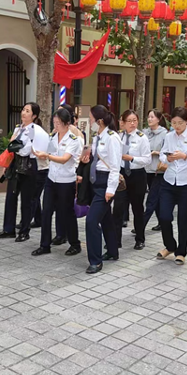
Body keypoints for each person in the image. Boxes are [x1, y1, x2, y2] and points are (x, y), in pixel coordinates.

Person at [31, 108, 83, 257]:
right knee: (46, 211)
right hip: (51, 179)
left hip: (66, 181)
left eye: (59, 123)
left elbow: (64, 159)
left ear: (67, 124)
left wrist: (46, 155)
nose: (56, 126)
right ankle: (44, 244)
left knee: (66, 212)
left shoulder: (73, 140)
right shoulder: (53, 138)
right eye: (54, 123)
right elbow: (49, 154)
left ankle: (75, 243)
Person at [0, 102, 50, 243]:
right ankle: (8, 229)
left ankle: (24, 231)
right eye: (23, 110)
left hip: (28, 166)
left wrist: (15, 146)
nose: (24, 113)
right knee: (10, 197)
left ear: (34, 116)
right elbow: (11, 146)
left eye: (27, 111)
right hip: (16, 165)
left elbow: (27, 149)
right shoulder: (19, 128)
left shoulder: (34, 130)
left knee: (27, 200)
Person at [157, 107, 187, 265]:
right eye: (174, 123)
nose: (177, 126)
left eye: (180, 123)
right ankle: (170, 245)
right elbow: (162, 153)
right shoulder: (169, 136)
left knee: (183, 220)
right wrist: (166, 159)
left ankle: (181, 252)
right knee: (164, 216)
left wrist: (184, 156)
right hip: (169, 181)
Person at [85, 105, 122, 274]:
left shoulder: (112, 137)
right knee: (106, 218)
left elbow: (115, 166)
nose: (90, 122)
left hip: (106, 181)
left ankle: (95, 260)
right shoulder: (97, 136)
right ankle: (113, 251)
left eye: (91, 119)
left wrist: (111, 189)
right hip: (95, 180)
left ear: (99, 121)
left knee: (92, 220)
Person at [112, 110, 151, 250]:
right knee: (118, 208)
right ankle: (115, 240)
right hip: (122, 175)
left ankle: (140, 238)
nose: (133, 123)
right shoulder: (118, 136)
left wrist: (132, 158)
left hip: (137, 175)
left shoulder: (142, 137)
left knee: (137, 208)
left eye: (135, 120)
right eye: (129, 121)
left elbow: (147, 159)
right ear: (122, 122)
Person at [143, 109, 168, 233]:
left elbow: (168, 151)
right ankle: (162, 222)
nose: (149, 119)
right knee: (156, 199)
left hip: (159, 170)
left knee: (151, 199)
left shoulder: (165, 134)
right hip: (146, 169)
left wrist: (156, 152)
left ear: (158, 119)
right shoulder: (144, 133)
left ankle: (141, 225)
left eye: (152, 117)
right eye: (148, 117)